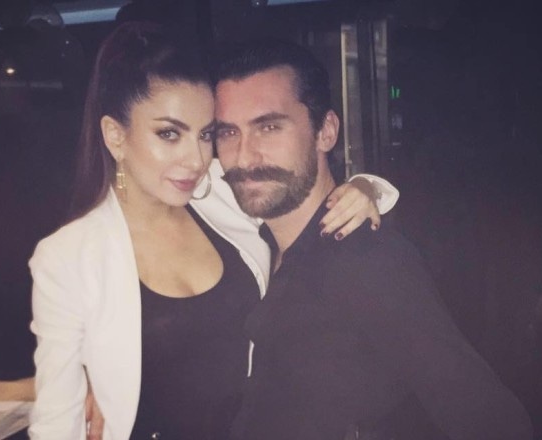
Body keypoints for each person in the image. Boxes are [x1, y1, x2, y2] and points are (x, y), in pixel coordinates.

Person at [26, 23, 398, 439]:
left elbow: (304, 192)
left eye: (205, 134)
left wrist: (366, 188)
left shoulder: (219, 192)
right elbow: (55, 421)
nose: (196, 159)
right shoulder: (69, 256)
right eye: (169, 134)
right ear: (115, 136)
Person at [212, 39, 533, 440]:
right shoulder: (250, 242)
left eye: (269, 127)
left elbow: (490, 418)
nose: (244, 156)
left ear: (325, 132)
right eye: (229, 132)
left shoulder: (365, 262)